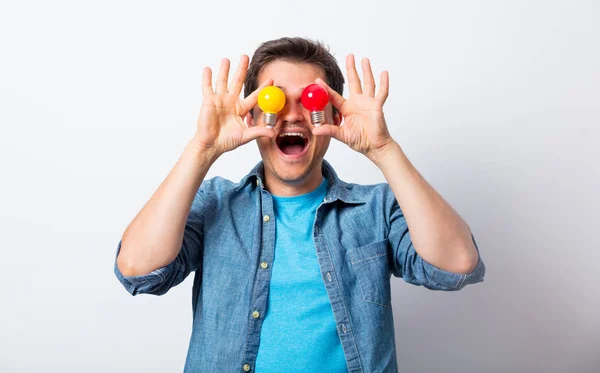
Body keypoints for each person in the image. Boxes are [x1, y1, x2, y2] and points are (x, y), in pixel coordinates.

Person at [114, 37, 485, 373]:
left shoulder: (376, 209)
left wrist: (384, 150)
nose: (291, 114)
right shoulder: (215, 203)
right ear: (252, 116)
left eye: (311, 99)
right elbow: (137, 269)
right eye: (273, 99)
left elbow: (457, 264)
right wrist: (201, 150)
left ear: (335, 116)